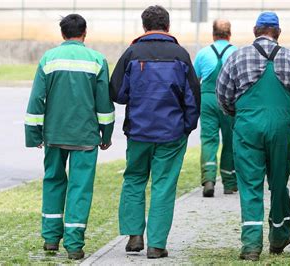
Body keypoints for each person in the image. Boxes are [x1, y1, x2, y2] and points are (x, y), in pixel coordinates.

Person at [217, 12, 290, 261]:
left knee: (250, 186)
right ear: (278, 32)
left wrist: (240, 113)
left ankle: (250, 246)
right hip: (281, 128)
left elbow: (222, 94)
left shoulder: (237, 57)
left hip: (247, 127)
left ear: (256, 30)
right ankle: (279, 237)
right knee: (279, 184)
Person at [110, 5, 200, 259]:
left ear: (144, 26)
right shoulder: (180, 54)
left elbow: (117, 92)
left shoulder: (132, 52)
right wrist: (187, 127)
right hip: (171, 133)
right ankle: (157, 245)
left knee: (134, 179)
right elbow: (193, 97)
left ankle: (134, 235)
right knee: (163, 186)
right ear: (167, 26)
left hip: (138, 131)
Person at [24, 14, 114, 260]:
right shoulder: (97, 60)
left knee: (53, 181)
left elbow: (36, 99)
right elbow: (104, 104)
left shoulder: (48, 59)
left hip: (53, 135)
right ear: (84, 33)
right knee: (80, 187)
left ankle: (51, 238)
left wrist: (34, 134)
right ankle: (74, 245)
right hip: (85, 137)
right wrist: (106, 134)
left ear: (62, 34)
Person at [194, 19, 238, 197]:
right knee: (230, 140)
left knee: (208, 140)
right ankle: (229, 183)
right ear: (229, 34)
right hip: (229, 101)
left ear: (213, 34)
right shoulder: (236, 53)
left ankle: (209, 180)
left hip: (208, 100)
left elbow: (194, 80)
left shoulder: (203, 53)